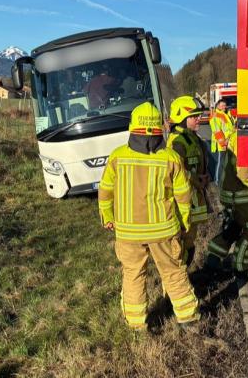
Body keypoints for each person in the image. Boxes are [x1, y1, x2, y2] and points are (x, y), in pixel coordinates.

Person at [98, 102, 200, 330]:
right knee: (173, 272)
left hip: (127, 232)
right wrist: (184, 223)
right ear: (159, 129)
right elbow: (184, 196)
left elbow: (105, 191)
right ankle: (188, 318)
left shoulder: (117, 157)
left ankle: (136, 325)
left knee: (133, 274)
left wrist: (107, 216)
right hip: (164, 231)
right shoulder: (171, 158)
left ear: (132, 127)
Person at [205, 129, 248, 279]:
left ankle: (213, 258)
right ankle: (242, 268)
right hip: (241, 193)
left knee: (235, 225)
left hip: (230, 191)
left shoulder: (238, 133)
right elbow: (244, 173)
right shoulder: (247, 137)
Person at [167, 96, 210, 266]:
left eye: (198, 115)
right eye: (194, 116)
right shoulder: (177, 142)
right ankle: (179, 276)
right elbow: (177, 171)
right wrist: (196, 179)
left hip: (194, 198)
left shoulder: (191, 137)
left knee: (190, 240)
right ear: (182, 119)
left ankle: (186, 273)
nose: (198, 118)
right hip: (183, 202)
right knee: (182, 243)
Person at [209, 99, 234, 183]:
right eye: (222, 105)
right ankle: (217, 181)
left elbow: (228, 128)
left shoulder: (224, 114)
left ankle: (224, 180)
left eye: (225, 105)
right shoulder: (216, 115)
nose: (224, 107)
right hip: (221, 144)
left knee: (226, 163)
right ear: (218, 106)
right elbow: (217, 131)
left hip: (228, 142)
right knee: (221, 163)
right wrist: (223, 143)